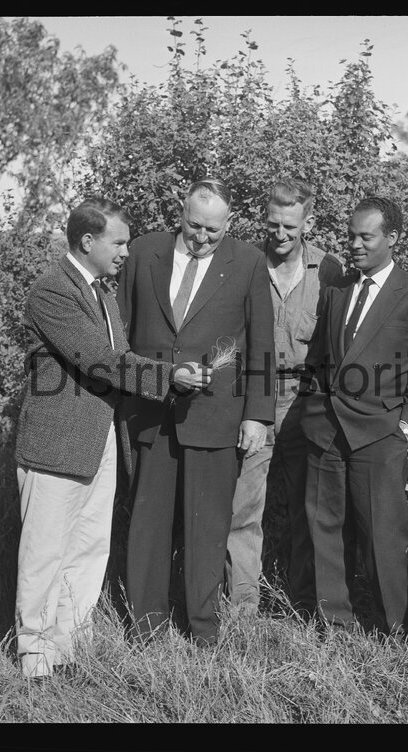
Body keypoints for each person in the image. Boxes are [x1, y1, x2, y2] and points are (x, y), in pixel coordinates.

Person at [12, 197, 211, 679]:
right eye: (118, 241)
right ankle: (36, 660)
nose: (126, 250)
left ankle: (70, 649)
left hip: (98, 439)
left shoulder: (101, 292)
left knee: (87, 547)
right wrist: (170, 378)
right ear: (87, 241)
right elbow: (100, 360)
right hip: (57, 442)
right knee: (45, 551)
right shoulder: (52, 292)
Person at [116, 177, 276, 646]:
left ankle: (202, 627)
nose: (201, 237)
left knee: (207, 530)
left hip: (216, 417)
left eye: (212, 230)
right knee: (148, 525)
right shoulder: (144, 252)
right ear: (179, 211)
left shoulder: (247, 262)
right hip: (150, 414)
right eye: (193, 225)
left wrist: (257, 415)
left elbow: (261, 345)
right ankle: (146, 627)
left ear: (230, 224)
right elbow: (120, 335)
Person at [299, 196, 408, 635]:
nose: (355, 245)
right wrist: (313, 411)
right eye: (351, 236)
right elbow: (321, 360)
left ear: (392, 238)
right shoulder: (338, 289)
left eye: (367, 237)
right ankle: (335, 623)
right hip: (327, 433)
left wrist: (403, 425)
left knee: (384, 536)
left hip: (380, 435)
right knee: (325, 530)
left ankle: (396, 627)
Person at [225, 178, 345, 617]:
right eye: (273, 224)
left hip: (307, 402)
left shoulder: (329, 270)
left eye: (290, 227)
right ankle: (243, 607)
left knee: (308, 511)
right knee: (243, 509)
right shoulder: (242, 263)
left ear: (307, 222)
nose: (280, 234)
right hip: (253, 401)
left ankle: (308, 605)